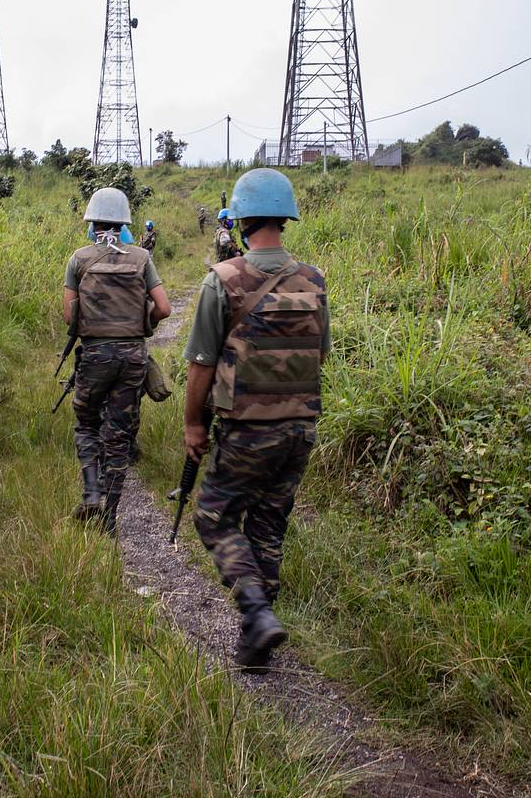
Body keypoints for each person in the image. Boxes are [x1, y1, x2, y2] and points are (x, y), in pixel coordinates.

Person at [182, 168, 330, 672]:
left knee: (213, 516)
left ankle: (256, 612)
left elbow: (200, 365)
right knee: (268, 525)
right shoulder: (314, 279)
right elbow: (320, 352)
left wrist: (193, 425)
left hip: (247, 429)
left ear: (240, 218)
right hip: (300, 428)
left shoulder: (223, 280)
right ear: (284, 218)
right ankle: (257, 644)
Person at [63, 188, 171, 534]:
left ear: (92, 221)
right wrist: (144, 322)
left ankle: (91, 492)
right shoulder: (141, 258)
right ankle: (110, 519)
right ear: (124, 221)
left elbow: (69, 316)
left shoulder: (79, 259)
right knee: (119, 433)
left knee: (86, 422)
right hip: (132, 358)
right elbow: (165, 308)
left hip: (94, 355)